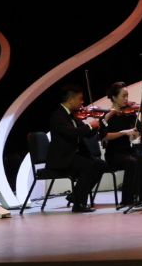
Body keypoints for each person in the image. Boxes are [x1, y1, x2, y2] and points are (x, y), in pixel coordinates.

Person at [46, 84, 109, 212]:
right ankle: (79, 204)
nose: (82, 102)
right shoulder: (58, 116)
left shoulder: (73, 115)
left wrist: (100, 122)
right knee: (88, 165)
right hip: (61, 158)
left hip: (73, 155)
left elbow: (85, 134)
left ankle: (75, 195)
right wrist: (91, 126)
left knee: (101, 165)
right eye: (80, 99)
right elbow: (72, 133)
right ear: (70, 100)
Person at [98, 82, 142, 206]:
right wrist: (123, 133)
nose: (127, 99)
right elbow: (103, 137)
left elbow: (140, 129)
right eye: (123, 96)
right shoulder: (107, 116)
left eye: (127, 96)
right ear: (114, 98)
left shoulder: (129, 113)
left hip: (129, 151)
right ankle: (127, 200)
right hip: (114, 154)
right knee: (132, 162)